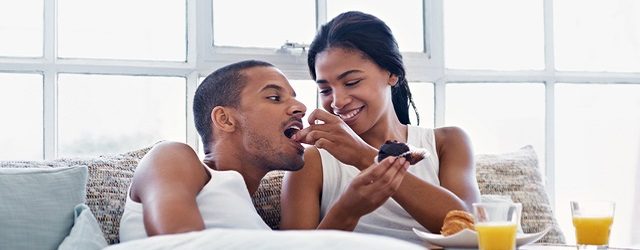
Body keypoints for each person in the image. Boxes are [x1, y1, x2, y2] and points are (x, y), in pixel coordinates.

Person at [280, 11, 481, 245]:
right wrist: (346, 212)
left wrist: (363, 156)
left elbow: (470, 229)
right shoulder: (312, 162)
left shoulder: (447, 142)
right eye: (325, 90)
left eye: (351, 82)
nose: (337, 101)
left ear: (392, 74)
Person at [118, 60, 314, 242]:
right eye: (274, 97)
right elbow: (179, 243)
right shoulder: (173, 155)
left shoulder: (251, 221)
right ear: (225, 119)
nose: (301, 108)